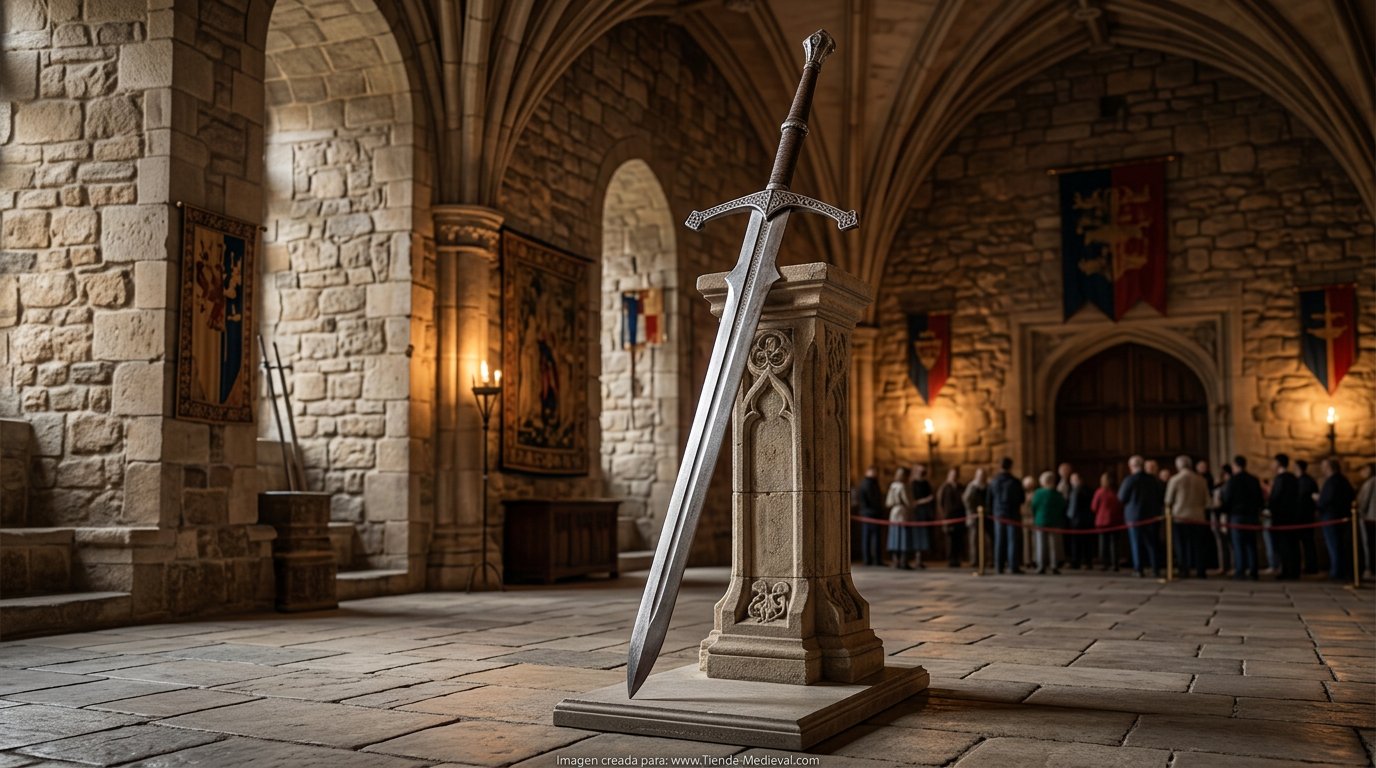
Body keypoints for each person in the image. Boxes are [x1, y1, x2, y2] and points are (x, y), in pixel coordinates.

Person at [1119, 455, 1165, 578]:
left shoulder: (1129, 480)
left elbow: (1122, 497)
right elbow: (1161, 497)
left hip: (1134, 517)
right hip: (1151, 516)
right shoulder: (1153, 480)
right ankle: (1155, 568)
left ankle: (1138, 569)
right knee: (1152, 543)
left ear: (1131, 466)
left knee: (1136, 543)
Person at [1165, 455, 1210, 578]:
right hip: (1198, 516)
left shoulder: (1175, 479)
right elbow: (1207, 500)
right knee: (1198, 545)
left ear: (1178, 466)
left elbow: (1168, 500)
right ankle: (1201, 570)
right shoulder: (1201, 479)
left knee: (1181, 545)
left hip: (1180, 516)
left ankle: (1184, 570)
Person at [1221, 455, 1264, 580]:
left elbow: (1228, 499)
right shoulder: (1254, 480)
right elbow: (1259, 499)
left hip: (1237, 515)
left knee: (1238, 544)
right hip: (1251, 516)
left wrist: (1224, 510)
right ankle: (1253, 570)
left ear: (1235, 466)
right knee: (1251, 543)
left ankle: (1240, 570)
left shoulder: (1233, 481)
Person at [1316, 457, 1356, 581]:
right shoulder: (1343, 480)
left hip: (1332, 517)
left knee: (1334, 545)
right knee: (1338, 545)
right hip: (1340, 516)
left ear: (1329, 467)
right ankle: (1340, 571)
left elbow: (1327, 500)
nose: (1322, 469)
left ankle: (1336, 572)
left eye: (1323, 466)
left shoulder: (1332, 481)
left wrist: (1318, 501)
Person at [988, 457, 1025, 574]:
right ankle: (1013, 566)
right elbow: (1021, 498)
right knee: (1012, 540)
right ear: (1010, 466)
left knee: (999, 540)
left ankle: (999, 566)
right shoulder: (1015, 481)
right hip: (1012, 514)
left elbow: (989, 499)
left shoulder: (993, 481)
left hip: (999, 514)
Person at [1268, 453, 1301, 580]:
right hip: (1292, 516)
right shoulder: (1293, 478)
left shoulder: (1281, 479)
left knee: (1284, 545)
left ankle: (1287, 570)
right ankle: (1294, 570)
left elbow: (1275, 498)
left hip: (1282, 517)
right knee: (1292, 544)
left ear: (1278, 463)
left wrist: (1270, 508)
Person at [1030, 471, 1067, 574]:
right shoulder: (1057, 494)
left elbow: (1033, 506)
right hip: (1054, 521)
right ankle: (1054, 565)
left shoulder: (1038, 493)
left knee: (1040, 544)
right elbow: (1062, 506)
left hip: (1040, 521)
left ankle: (1041, 565)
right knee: (1054, 545)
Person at [1092, 471, 1123, 571]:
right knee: (1114, 544)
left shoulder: (1100, 492)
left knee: (1103, 544)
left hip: (1102, 521)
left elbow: (1093, 507)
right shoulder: (1117, 491)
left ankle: (1105, 563)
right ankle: (1115, 564)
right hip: (1116, 520)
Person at [885, 467, 915, 570]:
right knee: (903, 538)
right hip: (902, 512)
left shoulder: (892, 485)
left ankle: (895, 561)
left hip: (893, 513)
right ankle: (903, 561)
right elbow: (908, 501)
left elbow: (888, 502)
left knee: (894, 538)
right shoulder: (902, 486)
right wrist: (913, 504)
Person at [1295, 459, 1321, 575]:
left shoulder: (1302, 482)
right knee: (1308, 543)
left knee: (1306, 543)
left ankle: (1309, 566)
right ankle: (1310, 566)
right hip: (1307, 516)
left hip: (1302, 516)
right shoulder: (1310, 481)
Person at [856, 466, 885, 566]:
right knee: (870, 537)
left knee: (873, 537)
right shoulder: (868, 484)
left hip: (871, 513)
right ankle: (870, 559)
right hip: (870, 513)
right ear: (868, 472)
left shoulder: (873, 483)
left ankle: (873, 559)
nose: (875, 473)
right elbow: (873, 499)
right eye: (873, 471)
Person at [1065, 471, 1095, 569]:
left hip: (1080, 520)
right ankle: (1081, 562)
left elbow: (1075, 507)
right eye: (1072, 480)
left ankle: (1082, 562)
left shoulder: (1081, 491)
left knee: (1082, 543)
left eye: (1074, 479)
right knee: (1080, 543)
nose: (1073, 482)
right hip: (1080, 520)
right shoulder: (1075, 490)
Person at [938, 467, 966, 568]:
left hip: (959, 517)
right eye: (952, 475)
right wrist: (943, 517)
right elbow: (940, 502)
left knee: (958, 539)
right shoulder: (945, 488)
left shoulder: (960, 487)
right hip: (949, 517)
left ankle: (957, 558)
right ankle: (951, 559)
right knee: (950, 540)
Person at [909, 464, 936, 569]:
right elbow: (913, 501)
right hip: (917, 513)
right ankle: (917, 559)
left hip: (925, 513)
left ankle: (920, 559)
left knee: (925, 537)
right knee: (917, 536)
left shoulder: (926, 483)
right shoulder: (913, 484)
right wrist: (926, 500)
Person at [1210, 464, 1234, 575]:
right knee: (1221, 543)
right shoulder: (1219, 486)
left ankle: (1230, 566)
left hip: (1224, 516)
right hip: (1218, 516)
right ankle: (1224, 565)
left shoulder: (1228, 486)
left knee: (1228, 543)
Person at [962, 467, 989, 564]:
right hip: (973, 517)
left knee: (985, 539)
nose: (981, 477)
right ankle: (974, 559)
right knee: (974, 539)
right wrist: (973, 512)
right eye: (980, 475)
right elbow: (966, 500)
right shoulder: (972, 486)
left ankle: (985, 559)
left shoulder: (986, 486)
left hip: (984, 516)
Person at [1358, 462, 1376, 579]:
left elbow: (1363, 502)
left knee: (1370, 545)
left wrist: (1359, 512)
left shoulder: (1370, 483)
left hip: (1371, 518)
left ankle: (1371, 570)